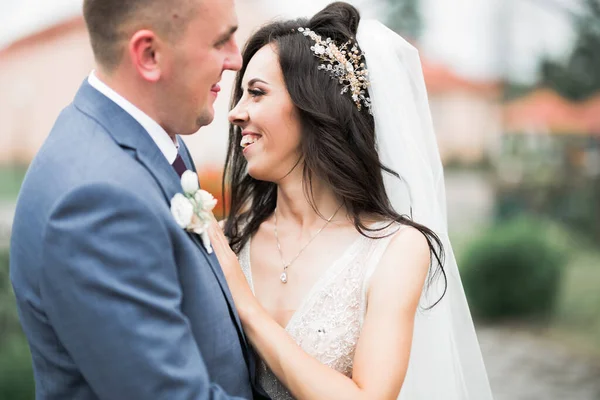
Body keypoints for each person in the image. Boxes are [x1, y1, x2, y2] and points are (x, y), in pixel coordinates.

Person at [208, 2, 493, 399]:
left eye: (256, 93)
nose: (235, 114)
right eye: (239, 96)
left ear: (315, 106)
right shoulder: (228, 240)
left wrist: (248, 308)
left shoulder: (394, 249)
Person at [9, 0, 268, 398]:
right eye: (221, 41)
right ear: (149, 55)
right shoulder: (95, 199)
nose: (236, 59)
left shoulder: (157, 137)